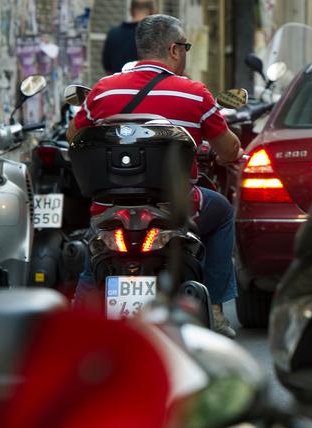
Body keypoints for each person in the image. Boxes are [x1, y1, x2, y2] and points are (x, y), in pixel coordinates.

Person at [67, 14, 243, 338]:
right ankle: (216, 309)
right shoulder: (194, 94)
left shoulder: (103, 91)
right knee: (223, 214)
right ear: (175, 50)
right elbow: (229, 148)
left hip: (109, 209)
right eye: (186, 47)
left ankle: (78, 320)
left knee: (95, 252)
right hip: (177, 207)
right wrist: (227, 153)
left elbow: (74, 137)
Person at [101, 0, 155, 74]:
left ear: (130, 11)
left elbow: (107, 67)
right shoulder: (155, 35)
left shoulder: (113, 34)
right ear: (152, 12)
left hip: (117, 83)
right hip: (148, 84)